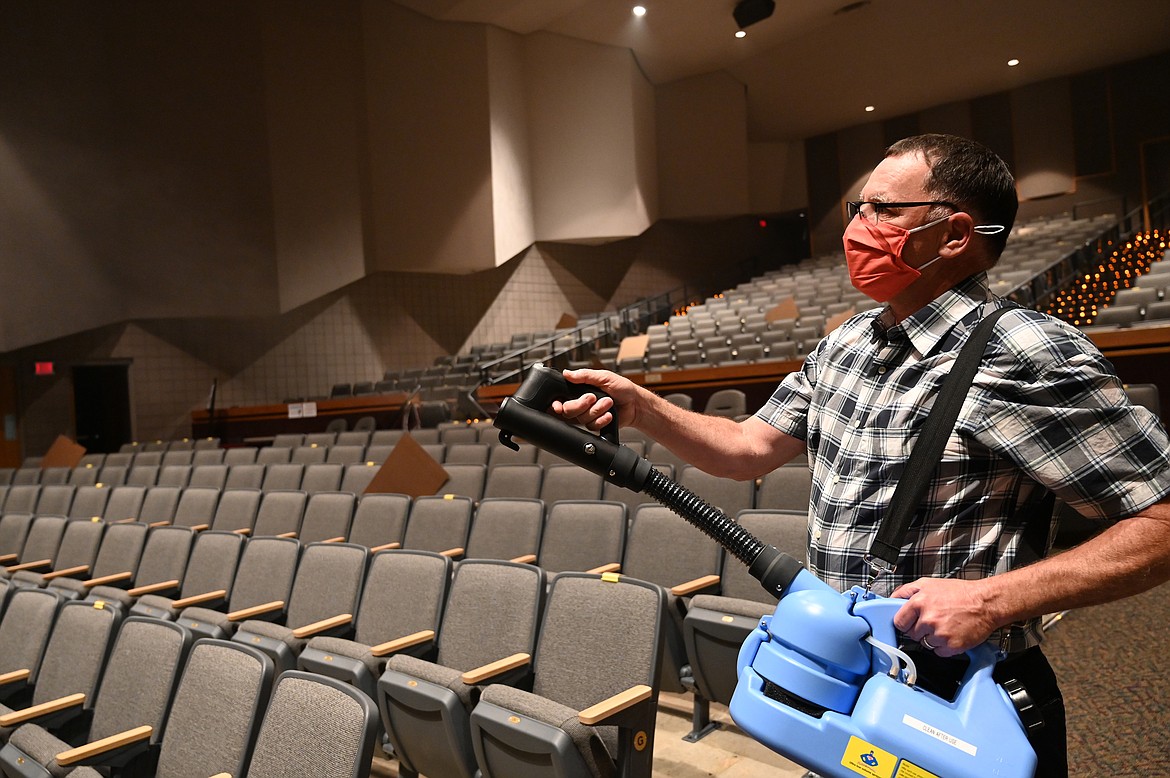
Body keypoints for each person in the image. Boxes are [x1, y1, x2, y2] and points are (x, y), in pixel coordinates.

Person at [553, 134, 1170, 777]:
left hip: (961, 699)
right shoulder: (850, 339)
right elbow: (747, 449)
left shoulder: (1023, 352)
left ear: (953, 234)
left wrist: (993, 600)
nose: (857, 228)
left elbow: (1162, 522)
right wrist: (641, 407)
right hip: (851, 684)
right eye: (856, 210)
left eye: (883, 211)